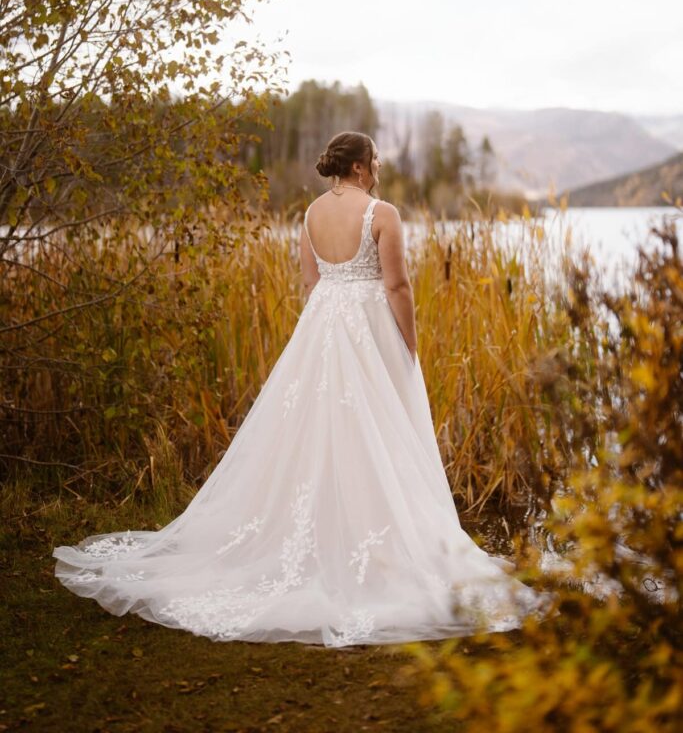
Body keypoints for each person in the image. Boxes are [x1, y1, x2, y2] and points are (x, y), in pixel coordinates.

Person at [53, 130, 554, 647]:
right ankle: (375, 546)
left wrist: (327, 324)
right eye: (375, 160)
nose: (378, 167)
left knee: (317, 431)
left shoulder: (310, 215)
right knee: (377, 432)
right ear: (360, 167)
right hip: (371, 328)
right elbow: (397, 285)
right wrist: (409, 344)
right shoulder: (382, 214)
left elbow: (311, 284)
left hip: (323, 327)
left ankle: (329, 538)